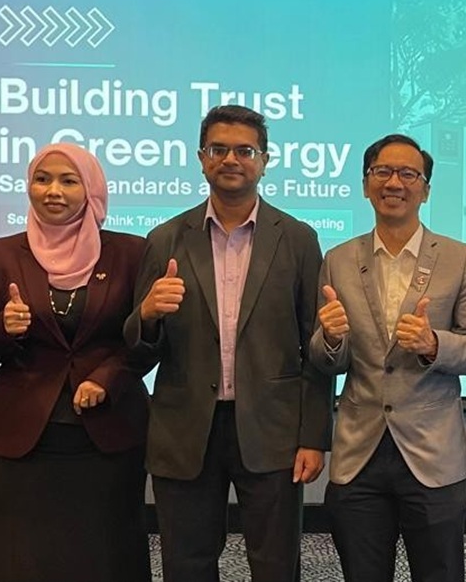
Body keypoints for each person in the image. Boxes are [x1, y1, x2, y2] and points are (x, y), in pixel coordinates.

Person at [124, 104, 332, 582]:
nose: (231, 159)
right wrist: (148, 316)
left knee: (276, 564)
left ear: (265, 160)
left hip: (273, 430)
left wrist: (313, 437)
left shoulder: (298, 239)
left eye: (245, 150)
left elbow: (314, 352)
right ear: (201, 158)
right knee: (186, 564)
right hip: (185, 430)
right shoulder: (165, 239)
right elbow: (137, 355)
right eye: (218, 149)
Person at [0, 143, 151, 582]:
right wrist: (2, 328)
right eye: (42, 179)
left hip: (108, 434)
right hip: (20, 438)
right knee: (22, 558)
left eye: (69, 181)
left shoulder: (130, 252)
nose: (53, 191)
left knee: (106, 554)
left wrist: (107, 378)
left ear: (91, 189)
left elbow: (147, 339)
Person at [309, 134, 466, 582]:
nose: (394, 183)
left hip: (432, 452)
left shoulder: (461, 258)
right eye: (383, 172)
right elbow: (328, 361)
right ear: (365, 184)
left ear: (425, 190)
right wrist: (330, 338)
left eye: (409, 174)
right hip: (359, 451)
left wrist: (433, 344)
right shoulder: (338, 259)